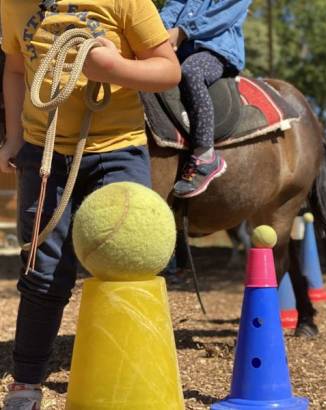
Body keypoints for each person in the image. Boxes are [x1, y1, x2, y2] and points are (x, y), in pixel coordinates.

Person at [0, 0, 180, 408]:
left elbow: (169, 70)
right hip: (43, 153)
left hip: (118, 150)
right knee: (42, 273)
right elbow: (13, 68)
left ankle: (133, 380)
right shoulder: (13, 5)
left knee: (129, 263)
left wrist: (113, 70)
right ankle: (26, 383)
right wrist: (13, 137)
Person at [160, 0, 251, 198]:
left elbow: (223, 14)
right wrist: (161, 30)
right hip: (180, 48)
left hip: (215, 50)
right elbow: (175, 4)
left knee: (192, 72)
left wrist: (182, 31)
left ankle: (205, 154)